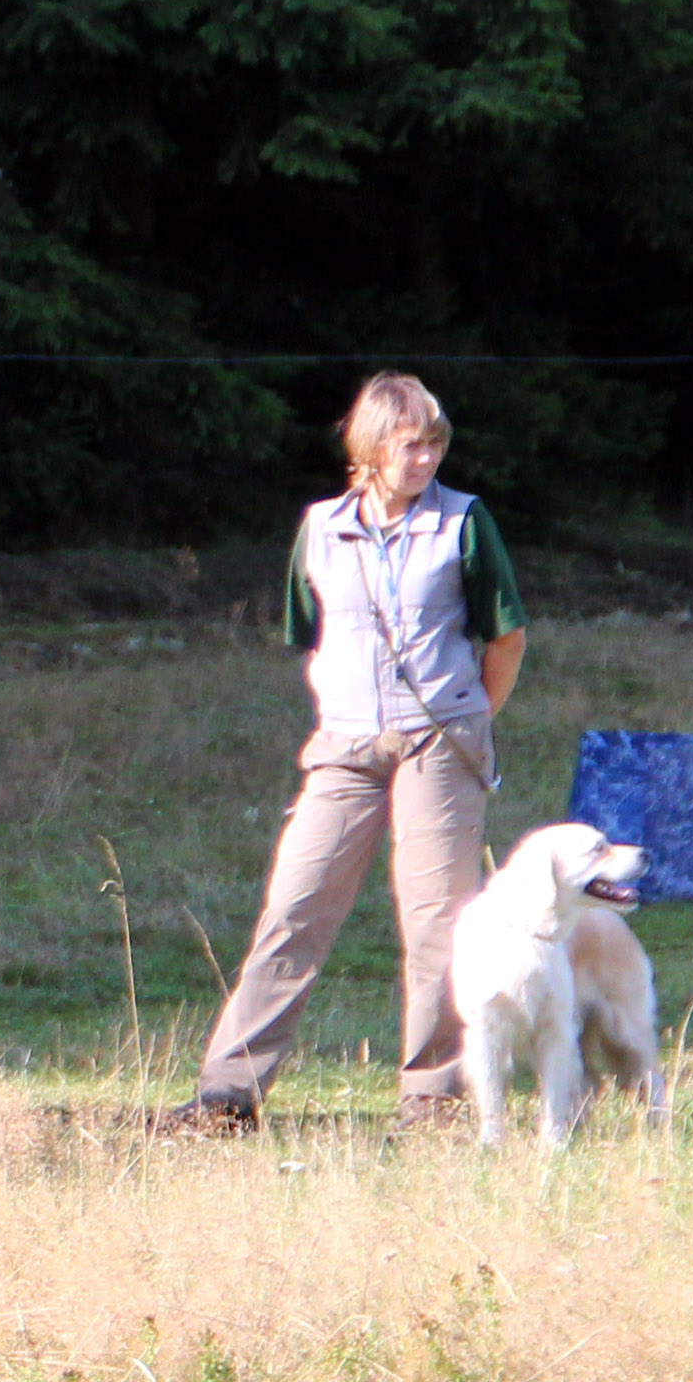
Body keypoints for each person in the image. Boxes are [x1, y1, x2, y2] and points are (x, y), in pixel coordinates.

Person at [160, 373, 528, 1139]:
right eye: (410, 443)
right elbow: (309, 635)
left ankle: (436, 1102)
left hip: (441, 740)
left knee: (437, 926)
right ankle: (226, 1099)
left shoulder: (464, 521)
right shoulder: (321, 529)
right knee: (294, 910)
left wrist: (471, 719)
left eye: (435, 442)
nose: (426, 458)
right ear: (369, 447)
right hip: (344, 745)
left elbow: (507, 637)